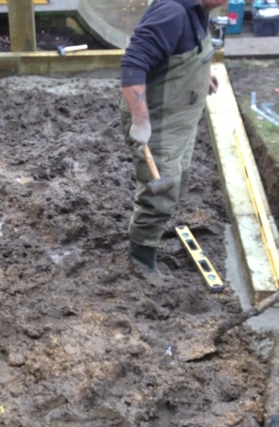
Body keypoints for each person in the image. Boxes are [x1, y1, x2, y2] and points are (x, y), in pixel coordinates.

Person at [120, 0, 226, 276]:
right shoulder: (172, 13)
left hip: (182, 116)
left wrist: (203, 75)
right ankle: (141, 260)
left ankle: (146, 241)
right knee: (160, 196)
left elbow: (182, 55)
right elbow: (132, 64)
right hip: (160, 121)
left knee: (178, 178)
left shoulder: (199, 9)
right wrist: (141, 122)